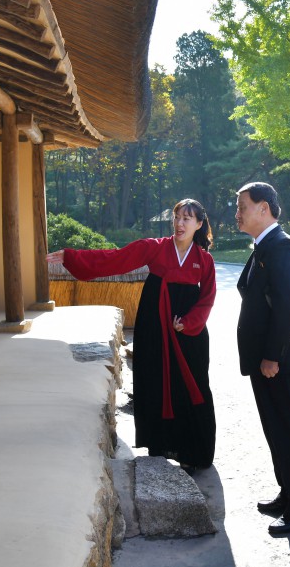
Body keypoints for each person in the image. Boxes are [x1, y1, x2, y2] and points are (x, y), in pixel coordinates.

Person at [46, 199, 217, 473]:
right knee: (155, 380)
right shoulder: (154, 248)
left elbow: (207, 299)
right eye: (177, 217)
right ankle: (159, 446)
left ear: (199, 224)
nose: (180, 223)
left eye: (187, 218)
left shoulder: (203, 260)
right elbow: (114, 259)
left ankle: (193, 450)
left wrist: (189, 323)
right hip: (155, 326)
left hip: (189, 334)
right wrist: (71, 257)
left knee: (192, 385)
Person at [235, 182, 290, 535]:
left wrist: (271, 356)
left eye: (242, 207)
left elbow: (286, 307)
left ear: (263, 208)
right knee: (275, 430)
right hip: (266, 360)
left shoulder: (281, 246)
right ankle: (288, 493)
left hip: (278, 360)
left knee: (287, 429)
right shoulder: (264, 244)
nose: (237, 214)